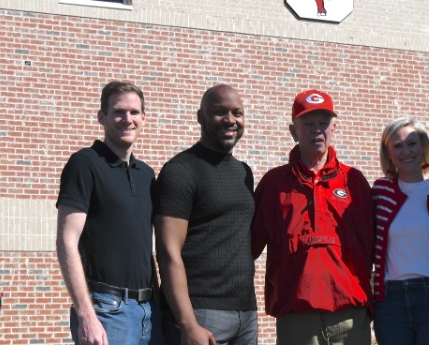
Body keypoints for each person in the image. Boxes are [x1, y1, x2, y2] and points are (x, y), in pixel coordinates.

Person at [252, 89, 374, 345]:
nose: (317, 130)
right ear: (293, 131)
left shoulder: (354, 181)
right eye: (308, 124)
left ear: (334, 128)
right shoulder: (274, 184)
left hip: (350, 317)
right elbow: (247, 247)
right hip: (297, 319)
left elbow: (376, 247)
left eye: (323, 123)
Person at [56, 81, 162, 345]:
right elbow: (66, 241)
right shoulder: (84, 164)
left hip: (150, 311)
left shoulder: (146, 174)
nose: (128, 119)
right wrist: (86, 315)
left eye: (134, 112)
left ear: (144, 118)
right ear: (101, 117)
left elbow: (143, 248)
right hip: (107, 312)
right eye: (118, 112)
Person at [153, 84, 257, 345]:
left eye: (237, 113)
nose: (230, 120)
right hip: (200, 312)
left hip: (246, 312)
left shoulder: (244, 173)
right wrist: (188, 323)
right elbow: (167, 252)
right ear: (201, 117)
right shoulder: (180, 170)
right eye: (220, 112)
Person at [372, 117, 429, 345]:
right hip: (390, 302)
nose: (406, 151)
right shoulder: (381, 191)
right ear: (388, 153)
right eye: (397, 146)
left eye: (412, 143)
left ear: (423, 146)